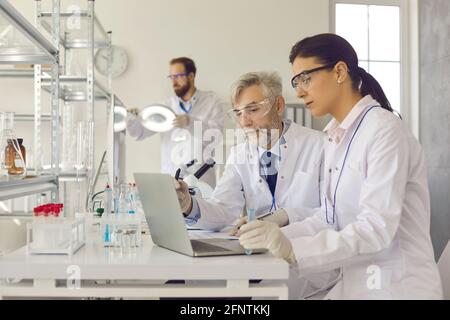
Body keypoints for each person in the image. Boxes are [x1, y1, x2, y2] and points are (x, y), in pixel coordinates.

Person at [238, 34, 443, 300]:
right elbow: (329, 219)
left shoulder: (384, 130)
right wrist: (273, 234)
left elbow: (375, 228)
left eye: (305, 78)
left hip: (397, 287)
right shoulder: (336, 137)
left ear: (339, 71)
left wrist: (291, 249)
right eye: (296, 81)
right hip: (357, 283)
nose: (299, 91)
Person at [127, 57, 224, 187]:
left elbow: (215, 136)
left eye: (178, 76)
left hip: (202, 182)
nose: (174, 82)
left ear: (191, 76)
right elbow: (139, 133)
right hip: (172, 182)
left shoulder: (211, 102)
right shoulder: (166, 108)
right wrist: (132, 119)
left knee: (201, 207)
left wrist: (190, 122)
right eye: (171, 77)